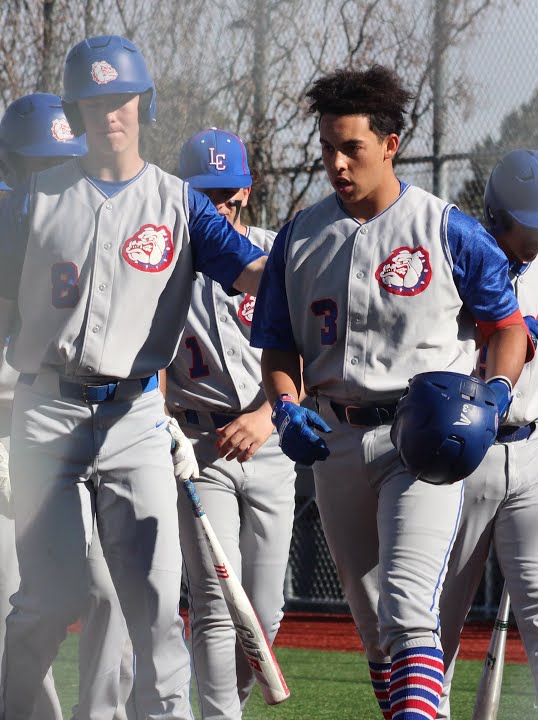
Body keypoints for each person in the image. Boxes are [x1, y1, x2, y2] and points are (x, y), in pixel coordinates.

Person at [0, 36, 265, 718]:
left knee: (155, 605)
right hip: (46, 408)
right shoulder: (34, 200)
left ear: (143, 102)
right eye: (93, 101)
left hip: (134, 415)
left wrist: (304, 273)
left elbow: (250, 273)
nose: (109, 113)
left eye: (120, 98)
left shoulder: (180, 203)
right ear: (76, 110)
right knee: (49, 599)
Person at [249, 65, 528, 720]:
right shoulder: (299, 235)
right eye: (327, 149)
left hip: (426, 437)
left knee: (407, 608)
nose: (338, 164)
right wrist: (286, 405)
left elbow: (508, 328)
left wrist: (495, 392)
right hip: (335, 440)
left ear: (390, 145)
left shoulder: (446, 228)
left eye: (353, 148)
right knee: (376, 630)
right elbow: (280, 346)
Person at [0, 92, 136, 720]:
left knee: (110, 590)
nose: (51, 171)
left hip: (84, 427)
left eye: (63, 157)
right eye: (37, 162)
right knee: (5, 593)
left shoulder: (97, 225)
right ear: (12, 165)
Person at [433, 149, 538, 719]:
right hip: (465, 449)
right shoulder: (462, 256)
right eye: (531, 224)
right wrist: (500, 337)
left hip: (534, 448)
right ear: (498, 214)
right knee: (442, 615)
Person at [169, 128, 297, 719]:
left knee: (264, 612)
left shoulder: (276, 258)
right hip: (198, 443)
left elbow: (311, 355)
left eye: (226, 192)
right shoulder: (166, 264)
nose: (216, 204)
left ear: (246, 192)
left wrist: (270, 415)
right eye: (203, 194)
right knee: (219, 603)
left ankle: (224, 709)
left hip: (271, 444)